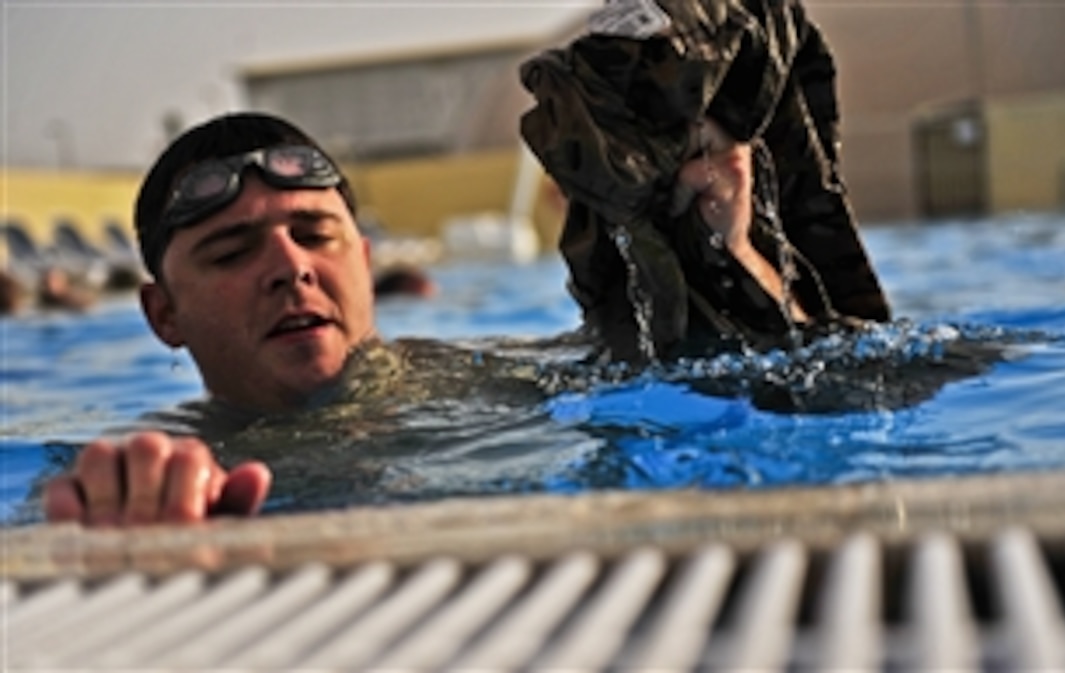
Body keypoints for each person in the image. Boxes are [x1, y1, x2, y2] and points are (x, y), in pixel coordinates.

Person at [44, 1, 896, 527]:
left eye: (315, 235)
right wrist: (135, 501)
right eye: (232, 250)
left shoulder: (492, 380)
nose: (289, 267)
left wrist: (726, 249)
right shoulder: (166, 459)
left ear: (364, 260)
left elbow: (759, 385)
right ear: (163, 314)